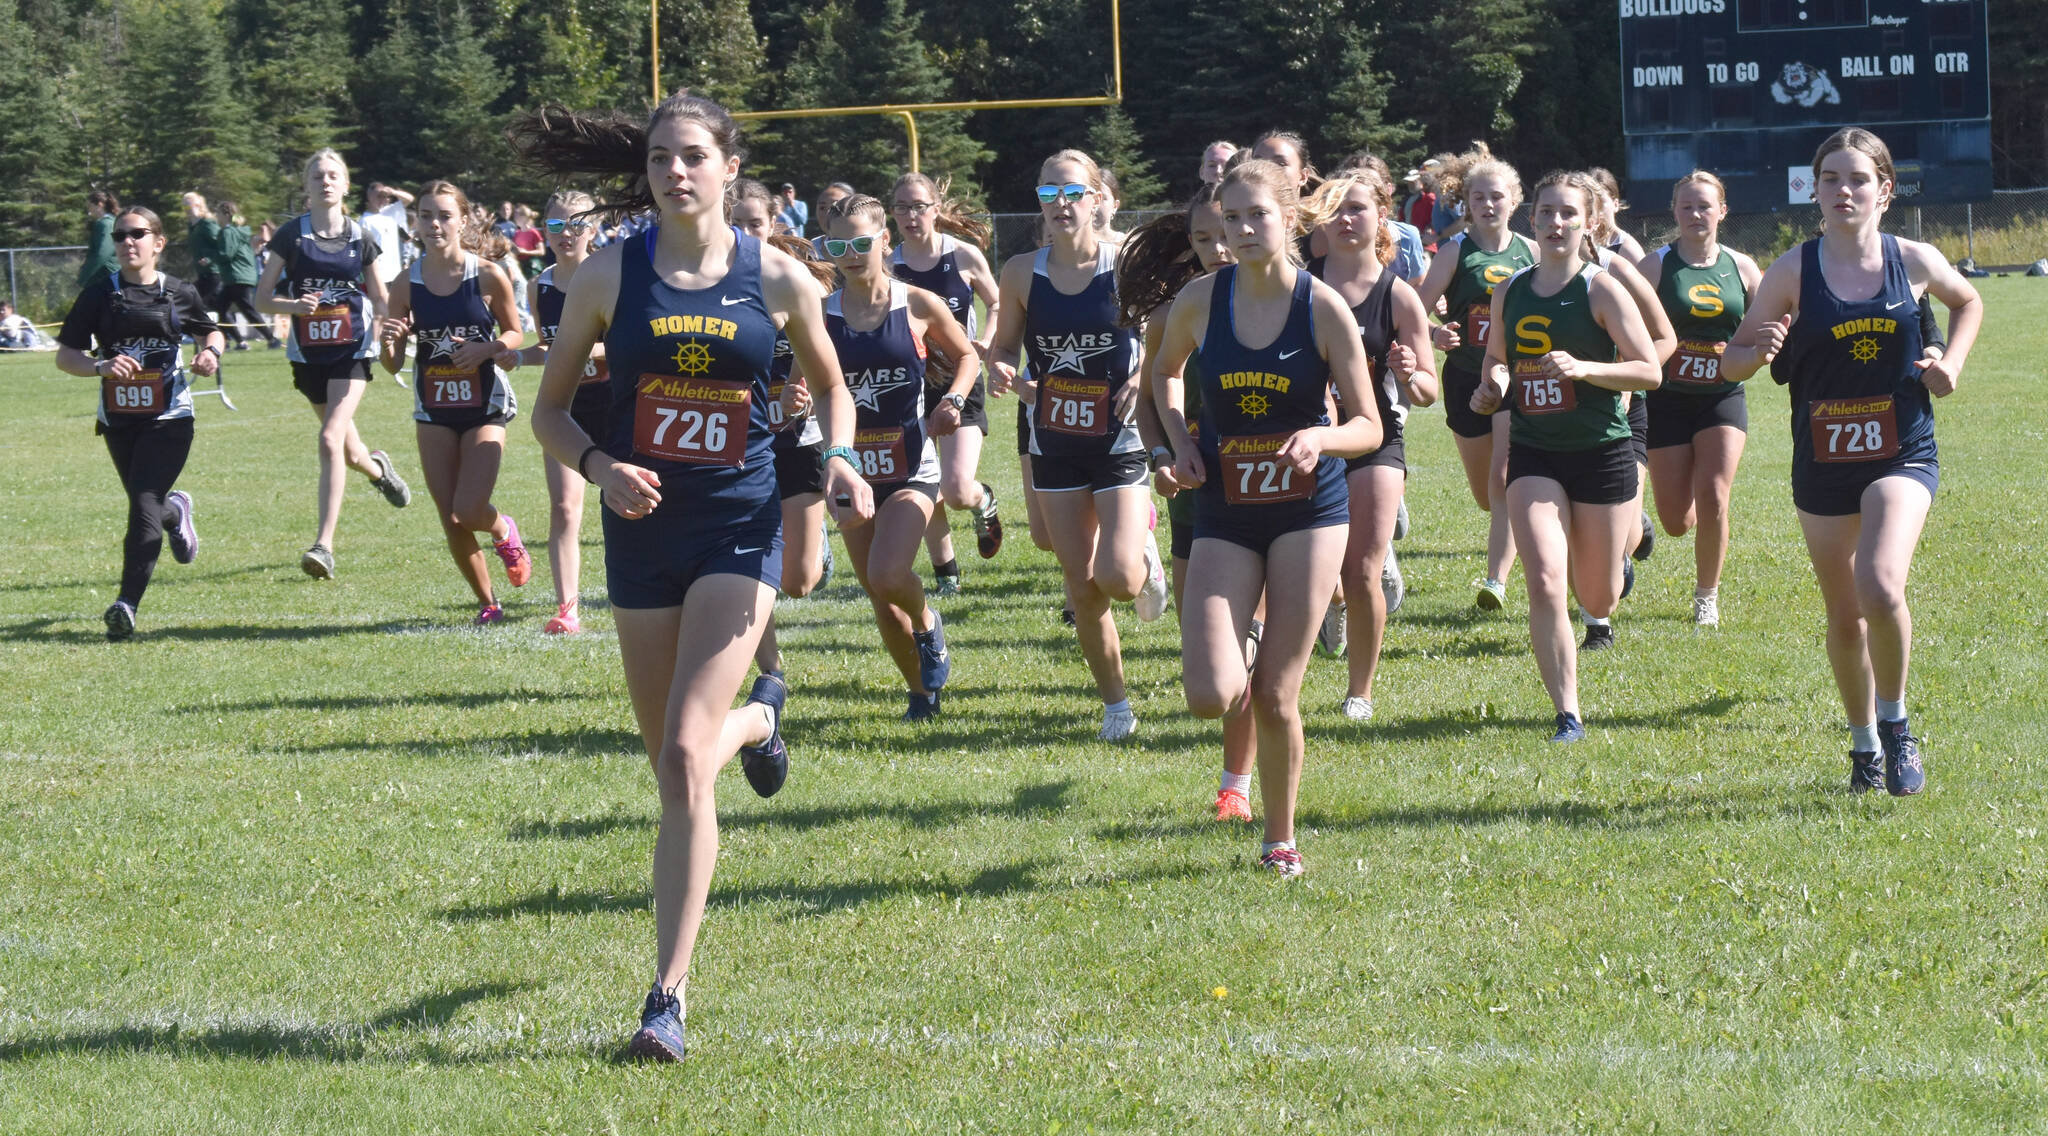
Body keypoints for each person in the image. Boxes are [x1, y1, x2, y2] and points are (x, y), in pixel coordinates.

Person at [512, 92, 872, 1063]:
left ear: (728, 167)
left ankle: (665, 996)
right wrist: (598, 466)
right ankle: (762, 716)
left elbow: (832, 385)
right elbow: (548, 413)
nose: (676, 172)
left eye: (695, 156)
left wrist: (836, 459)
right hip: (641, 530)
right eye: (662, 157)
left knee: (679, 752)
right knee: (673, 773)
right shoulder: (606, 276)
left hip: (737, 525)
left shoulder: (779, 276)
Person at [1721, 127, 1982, 796]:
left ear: (1885, 191)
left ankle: (1896, 726)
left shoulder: (1914, 259)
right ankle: (1863, 744)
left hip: (1903, 451)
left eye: (1858, 179)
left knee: (1881, 581)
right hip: (1823, 460)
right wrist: (1761, 349)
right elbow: (1734, 358)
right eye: (1830, 178)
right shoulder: (1791, 270)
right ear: (1815, 190)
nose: (1843, 189)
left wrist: (1948, 363)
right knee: (1845, 615)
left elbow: (1969, 300)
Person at [1149, 159, 1383, 876]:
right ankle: (1241, 645)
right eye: (1233, 218)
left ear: (1290, 221)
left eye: (1260, 216)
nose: (1245, 231)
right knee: (1207, 693)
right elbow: (1163, 370)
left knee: (1280, 692)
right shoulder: (1199, 298)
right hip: (1225, 506)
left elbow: (1370, 424)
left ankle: (1279, 838)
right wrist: (1178, 444)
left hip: (1309, 512)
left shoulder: (1321, 308)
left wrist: (1322, 436)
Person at [1469, 171, 1661, 743]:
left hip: (1603, 451)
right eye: (1547, 213)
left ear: (1588, 223)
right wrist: (1493, 385)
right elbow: (1497, 360)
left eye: (1568, 215)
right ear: (1533, 220)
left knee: (1596, 595)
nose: (1556, 223)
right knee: (1548, 581)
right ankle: (1568, 714)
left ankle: (1618, 560)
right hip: (1535, 452)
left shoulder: (1601, 288)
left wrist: (1586, 369)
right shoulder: (1512, 289)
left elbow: (1649, 368)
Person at [990, 148, 1168, 741]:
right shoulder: (1021, 271)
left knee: (1117, 579)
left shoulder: (1129, 264)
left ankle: (1142, 546)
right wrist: (1005, 374)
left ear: (1097, 199)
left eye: (1071, 192)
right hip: (1055, 438)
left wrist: (1144, 379)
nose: (1059, 204)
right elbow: (1003, 348)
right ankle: (1116, 705)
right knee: (1081, 585)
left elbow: (1172, 343)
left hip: (1118, 434)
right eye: (1047, 194)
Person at [1122, 183, 1259, 822]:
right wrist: (1162, 458)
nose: (1218, 249)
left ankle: (1238, 782)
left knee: (1250, 646)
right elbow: (1150, 403)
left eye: (1226, 232)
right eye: (1203, 238)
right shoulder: (1172, 316)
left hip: (1269, 501)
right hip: (1196, 503)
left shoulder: (1288, 303)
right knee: (1208, 650)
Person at [824, 194, 983, 719]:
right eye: (837, 244)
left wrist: (955, 402)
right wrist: (792, 397)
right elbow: (801, 382)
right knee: (877, 593)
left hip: (911, 464)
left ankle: (929, 621)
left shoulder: (914, 303)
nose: (850, 254)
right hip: (851, 468)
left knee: (890, 573)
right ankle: (922, 694)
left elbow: (966, 357)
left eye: (861, 243)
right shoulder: (820, 314)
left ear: (884, 241)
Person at [1303, 169, 1439, 722]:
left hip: (1375, 440)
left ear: (1382, 217)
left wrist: (1410, 372)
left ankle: (1359, 692)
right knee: (1320, 569)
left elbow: (1429, 391)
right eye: (1334, 209)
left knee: (1361, 568)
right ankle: (1329, 605)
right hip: (1306, 441)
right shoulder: (1296, 283)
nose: (1345, 219)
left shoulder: (1398, 295)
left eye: (1357, 208)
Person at [52, 206, 224, 640]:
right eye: (120, 235)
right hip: (119, 417)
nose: (128, 242)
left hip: (170, 416)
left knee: (142, 499)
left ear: (158, 243)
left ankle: (126, 604)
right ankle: (176, 512)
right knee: (147, 500)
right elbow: (66, 356)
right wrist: (100, 367)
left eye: (138, 234)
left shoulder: (179, 291)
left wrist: (210, 354)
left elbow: (211, 331)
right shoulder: (99, 294)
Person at [378, 179, 532, 624]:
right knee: (450, 518)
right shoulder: (404, 283)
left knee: (469, 508)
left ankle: (503, 530)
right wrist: (393, 341)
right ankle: (488, 604)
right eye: (425, 215)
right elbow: (390, 365)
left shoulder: (486, 273)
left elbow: (515, 333)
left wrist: (486, 349)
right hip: (433, 406)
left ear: (463, 221)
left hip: (485, 402)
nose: (434, 224)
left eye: (444, 215)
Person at [258, 149, 413, 579]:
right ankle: (378, 469)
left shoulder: (361, 236)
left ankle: (323, 545)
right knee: (347, 448)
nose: (325, 182)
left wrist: (387, 332)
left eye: (333, 175)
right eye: (317, 176)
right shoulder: (290, 236)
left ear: (345, 186)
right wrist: (295, 306)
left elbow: (380, 298)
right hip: (308, 354)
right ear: (306, 186)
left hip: (352, 350)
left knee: (329, 438)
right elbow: (261, 298)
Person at [1639, 171, 1762, 628]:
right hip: (1666, 401)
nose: (1695, 214)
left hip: (1721, 397)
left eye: (1704, 206)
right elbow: (1621, 324)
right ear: (1674, 212)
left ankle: (1706, 596)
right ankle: (1650, 524)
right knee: (1676, 521)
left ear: (1722, 212)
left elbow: (1770, 318)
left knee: (1714, 496)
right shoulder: (1655, 266)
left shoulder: (1744, 267)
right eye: (1686, 206)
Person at [1415, 147, 1535, 611]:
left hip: (1511, 377)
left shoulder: (1532, 253)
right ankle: (1507, 533)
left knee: (1504, 478)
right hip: (1464, 377)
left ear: (1514, 200)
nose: (1488, 205)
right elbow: (1415, 309)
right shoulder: (1454, 252)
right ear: (1466, 203)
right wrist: (1434, 332)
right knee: (1486, 495)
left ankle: (1495, 582)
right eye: (1478, 197)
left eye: (1497, 197)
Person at [889, 171, 1005, 590]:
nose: (910, 215)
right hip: (908, 385)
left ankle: (983, 501)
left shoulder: (964, 256)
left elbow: (995, 301)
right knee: (923, 484)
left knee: (955, 489)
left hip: (961, 378)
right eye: (901, 207)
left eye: (919, 206)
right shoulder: (890, 265)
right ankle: (946, 573)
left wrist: (986, 343)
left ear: (936, 210)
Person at [519, 190, 608, 634]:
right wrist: (516, 357)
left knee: (628, 501)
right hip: (563, 411)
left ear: (593, 228)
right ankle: (567, 608)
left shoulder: (610, 276)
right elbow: (547, 350)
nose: (565, 234)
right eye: (555, 226)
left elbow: (631, 344)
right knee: (564, 508)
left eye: (575, 224)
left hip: (616, 407)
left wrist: (582, 347)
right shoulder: (540, 286)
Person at [211, 202, 280, 350]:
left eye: (218, 214)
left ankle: (271, 339)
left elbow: (226, 254)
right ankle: (239, 342)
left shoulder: (228, 232)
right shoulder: (239, 231)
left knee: (246, 309)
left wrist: (210, 256)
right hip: (240, 275)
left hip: (237, 276)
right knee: (222, 308)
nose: (217, 217)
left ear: (226, 215)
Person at [181, 193, 224, 314]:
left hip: (215, 274)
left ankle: (229, 332)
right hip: (203, 274)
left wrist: (209, 259)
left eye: (189, 207)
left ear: (198, 205)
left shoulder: (207, 224)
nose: (186, 211)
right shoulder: (192, 226)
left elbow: (222, 246)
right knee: (191, 301)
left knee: (205, 307)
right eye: (184, 208)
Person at [79, 191, 120, 289]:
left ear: (100, 205)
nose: (89, 211)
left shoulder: (105, 224)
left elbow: (103, 253)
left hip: (106, 274)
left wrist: (85, 275)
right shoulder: (113, 221)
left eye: (90, 206)